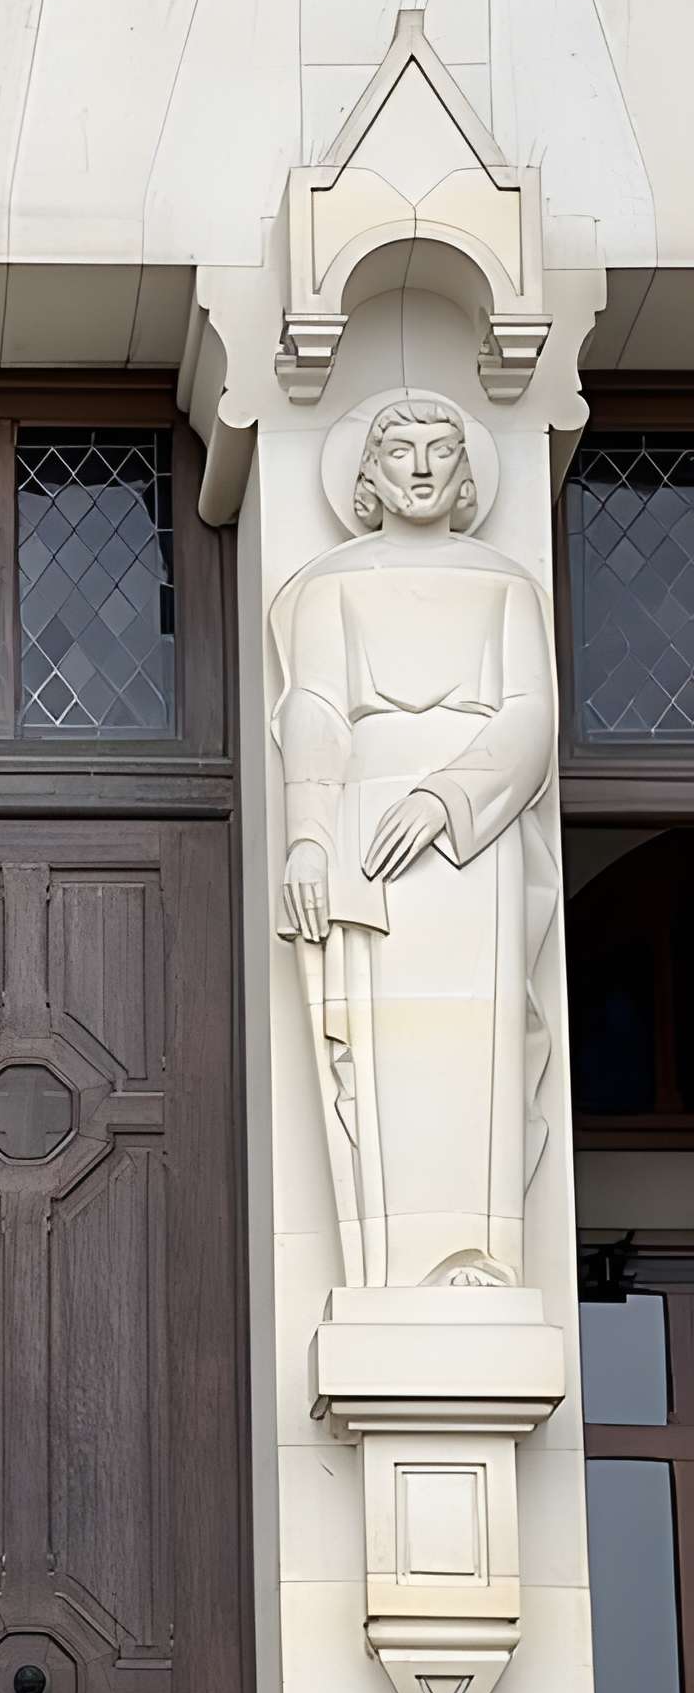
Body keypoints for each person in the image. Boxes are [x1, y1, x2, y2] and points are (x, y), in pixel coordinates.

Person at [270, 396, 557, 1290]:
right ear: (370, 475)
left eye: (441, 450)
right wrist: (309, 841)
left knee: (475, 1040)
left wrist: (445, 799)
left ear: (467, 473)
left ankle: (474, 1254)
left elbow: (530, 718)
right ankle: (392, 1269)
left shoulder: (506, 585)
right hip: (363, 834)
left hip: (472, 839)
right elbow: (312, 711)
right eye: (400, 450)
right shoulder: (329, 586)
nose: (422, 467)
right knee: (379, 1046)